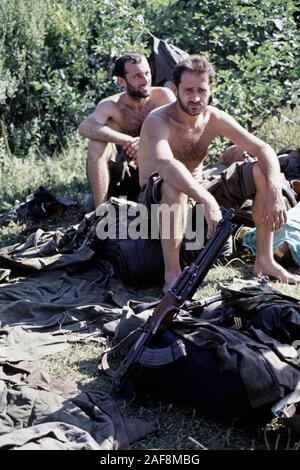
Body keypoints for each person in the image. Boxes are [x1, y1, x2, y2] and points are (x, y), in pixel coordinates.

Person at [137, 55, 300, 292]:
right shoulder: (158, 120)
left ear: (211, 88)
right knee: (173, 184)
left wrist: (275, 191)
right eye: (188, 90)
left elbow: (262, 149)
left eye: (201, 90)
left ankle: (264, 261)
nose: (195, 98)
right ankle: (172, 274)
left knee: (261, 170)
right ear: (175, 89)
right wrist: (206, 199)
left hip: (200, 187)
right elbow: (165, 164)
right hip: (158, 198)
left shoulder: (213, 117)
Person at [78, 52, 175, 209]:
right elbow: (85, 127)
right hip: (123, 175)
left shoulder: (163, 97)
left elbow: (179, 130)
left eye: (147, 73)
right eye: (137, 76)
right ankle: (100, 212)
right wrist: (127, 140)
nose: (145, 80)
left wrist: (145, 147)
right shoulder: (111, 105)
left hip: (156, 169)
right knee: (96, 145)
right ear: (121, 81)